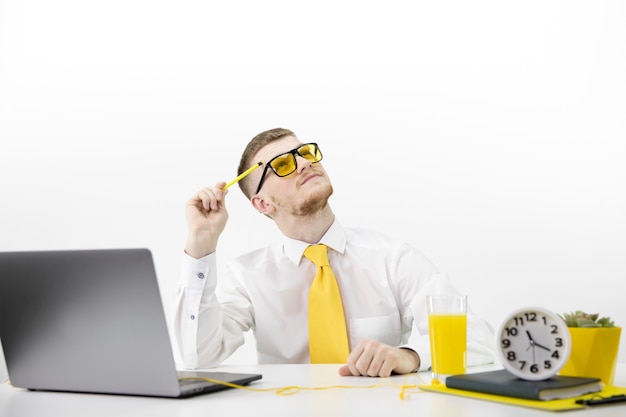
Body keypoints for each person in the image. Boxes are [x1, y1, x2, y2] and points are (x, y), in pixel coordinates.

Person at [173, 127, 494, 377]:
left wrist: (410, 356)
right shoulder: (246, 276)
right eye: (282, 164)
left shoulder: (392, 259)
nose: (304, 163)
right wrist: (202, 243)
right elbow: (197, 356)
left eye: (305, 152)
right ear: (262, 203)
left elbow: (476, 338)